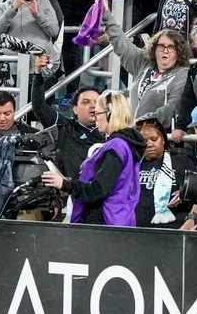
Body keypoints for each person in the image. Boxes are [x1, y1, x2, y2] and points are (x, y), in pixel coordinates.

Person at [41, 91, 146, 226]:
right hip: (119, 218)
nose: (95, 118)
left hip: (104, 221)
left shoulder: (116, 146)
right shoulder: (125, 145)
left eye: (98, 113)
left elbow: (98, 190)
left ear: (110, 114)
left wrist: (65, 184)